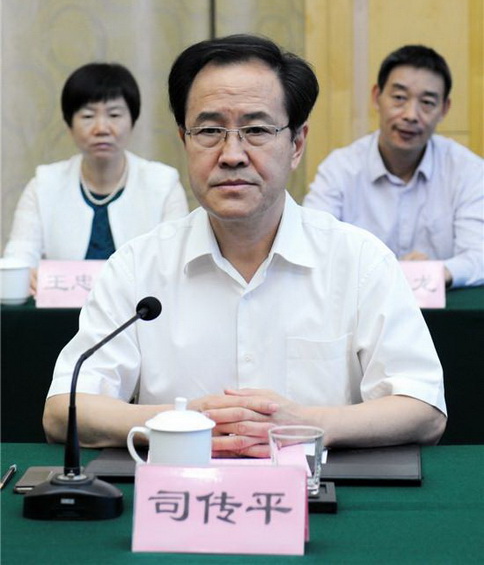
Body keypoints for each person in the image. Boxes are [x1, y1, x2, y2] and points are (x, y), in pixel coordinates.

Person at [43, 35, 446, 457]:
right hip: (180, 491)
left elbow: (424, 408)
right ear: (184, 141)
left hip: (319, 491)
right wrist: (183, 423)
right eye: (210, 131)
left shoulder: (360, 261)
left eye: (256, 130)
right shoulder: (137, 266)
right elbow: (62, 410)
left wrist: (307, 424)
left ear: (296, 145)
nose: (232, 154)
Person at [304, 45, 484, 288]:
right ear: (376, 97)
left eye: (427, 102)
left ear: (444, 109)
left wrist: (436, 272)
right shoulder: (340, 169)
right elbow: (313, 244)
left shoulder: (468, 171)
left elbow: (478, 255)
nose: (411, 115)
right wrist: (389, 270)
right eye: (399, 98)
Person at [3, 62, 189, 290]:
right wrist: (26, 277)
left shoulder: (163, 183)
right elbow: (19, 258)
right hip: (61, 311)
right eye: (88, 116)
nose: (101, 128)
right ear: (69, 125)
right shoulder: (44, 185)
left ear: (133, 121)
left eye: (114, 114)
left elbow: (177, 264)